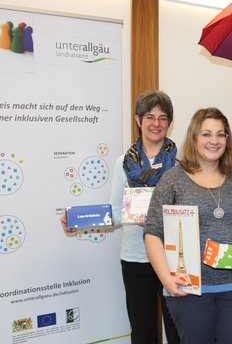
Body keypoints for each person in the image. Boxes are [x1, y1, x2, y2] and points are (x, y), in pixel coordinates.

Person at [61, 90, 179, 344]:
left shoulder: (180, 165)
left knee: (178, 331)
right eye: (150, 117)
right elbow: (116, 212)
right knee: (142, 332)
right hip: (136, 258)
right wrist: (77, 221)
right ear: (138, 120)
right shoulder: (123, 163)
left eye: (162, 118)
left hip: (173, 258)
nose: (156, 123)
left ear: (169, 122)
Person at [144, 107, 232, 344]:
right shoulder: (173, 179)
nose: (214, 141)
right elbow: (153, 232)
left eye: (220, 134)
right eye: (206, 134)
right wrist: (166, 280)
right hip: (189, 288)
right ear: (194, 137)